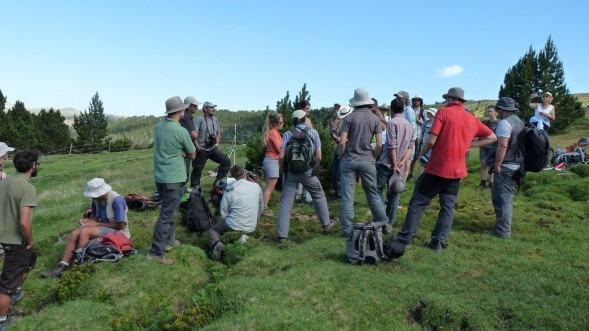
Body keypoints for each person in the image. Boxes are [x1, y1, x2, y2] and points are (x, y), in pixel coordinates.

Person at [394, 87, 497, 251]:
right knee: (448, 207)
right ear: (461, 101)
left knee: (418, 202)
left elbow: (431, 141)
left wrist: (420, 153)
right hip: (457, 172)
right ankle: (437, 242)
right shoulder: (471, 118)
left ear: (449, 99)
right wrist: (469, 144)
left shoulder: (443, 113)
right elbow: (492, 137)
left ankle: (406, 236)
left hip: (437, 168)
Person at [41, 178, 130, 278]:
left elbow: (121, 225)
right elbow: (94, 217)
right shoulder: (97, 200)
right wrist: (86, 221)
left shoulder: (116, 200)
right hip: (102, 227)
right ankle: (62, 266)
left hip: (118, 232)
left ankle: (78, 266)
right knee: (75, 233)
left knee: (85, 232)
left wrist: (96, 224)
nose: (93, 197)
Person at [276, 109, 338, 242]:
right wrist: (313, 169)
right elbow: (319, 157)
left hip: (291, 174)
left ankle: (282, 236)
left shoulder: (287, 134)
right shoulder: (313, 133)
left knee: (286, 204)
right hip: (308, 173)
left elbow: (281, 157)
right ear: (305, 119)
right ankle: (326, 225)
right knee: (319, 196)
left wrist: (282, 171)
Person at [148, 96, 196, 265]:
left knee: (171, 209)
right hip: (173, 178)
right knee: (167, 215)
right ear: (180, 111)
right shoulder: (181, 131)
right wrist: (183, 152)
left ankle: (170, 241)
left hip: (159, 177)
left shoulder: (158, 127)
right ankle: (156, 252)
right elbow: (192, 154)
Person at [338, 88, 388, 236]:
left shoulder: (349, 118)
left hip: (349, 159)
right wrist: (373, 156)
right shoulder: (375, 119)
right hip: (367, 160)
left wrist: (342, 156)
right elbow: (379, 144)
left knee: (348, 197)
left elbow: (342, 143)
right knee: (373, 194)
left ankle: (348, 230)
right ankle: (384, 224)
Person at [0, 151, 39, 328]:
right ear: (32, 166)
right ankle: (3, 319)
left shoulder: (6, 180)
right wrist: (29, 240)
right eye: (37, 164)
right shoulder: (27, 187)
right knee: (6, 284)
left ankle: (15, 291)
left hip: (3, 233)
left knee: (31, 258)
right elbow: (24, 221)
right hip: (15, 239)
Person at [209, 165, 264, 260]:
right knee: (239, 225)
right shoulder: (256, 187)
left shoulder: (229, 190)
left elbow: (224, 212)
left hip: (233, 224)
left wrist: (230, 219)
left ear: (232, 177)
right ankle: (243, 238)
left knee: (213, 230)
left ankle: (216, 245)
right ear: (245, 174)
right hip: (251, 225)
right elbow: (261, 207)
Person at [376, 98, 414, 232]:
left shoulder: (392, 123)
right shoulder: (410, 125)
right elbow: (410, 147)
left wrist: (393, 164)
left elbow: (392, 145)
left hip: (387, 163)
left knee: (377, 190)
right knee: (394, 193)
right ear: (403, 109)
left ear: (392, 109)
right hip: (400, 165)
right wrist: (402, 163)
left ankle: (382, 221)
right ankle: (388, 224)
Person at [491, 97, 524, 238]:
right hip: (519, 165)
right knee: (507, 197)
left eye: (498, 109)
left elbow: (502, 145)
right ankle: (502, 226)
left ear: (502, 110)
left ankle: (503, 231)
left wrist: (497, 164)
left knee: (502, 198)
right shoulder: (520, 122)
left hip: (507, 165)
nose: (497, 112)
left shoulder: (504, 123)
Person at [190, 101, 231, 189]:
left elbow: (218, 133)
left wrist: (216, 144)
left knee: (226, 161)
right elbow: (193, 136)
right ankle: (195, 190)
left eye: (214, 107)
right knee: (197, 170)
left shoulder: (215, 119)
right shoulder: (199, 119)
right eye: (211, 107)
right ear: (205, 109)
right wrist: (199, 149)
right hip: (201, 149)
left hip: (212, 148)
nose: (214, 109)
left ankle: (218, 183)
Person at [261, 112, 284, 216]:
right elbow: (280, 149)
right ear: (276, 123)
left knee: (268, 186)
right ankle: (264, 209)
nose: (283, 123)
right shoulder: (274, 133)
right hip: (272, 161)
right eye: (281, 122)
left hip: (271, 161)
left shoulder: (274, 132)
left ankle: (261, 206)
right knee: (270, 187)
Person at [329, 104, 353, 199]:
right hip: (338, 149)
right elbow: (333, 131)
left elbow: (352, 138)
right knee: (335, 172)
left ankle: (340, 194)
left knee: (340, 173)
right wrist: (335, 137)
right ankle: (337, 192)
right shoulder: (341, 122)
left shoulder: (351, 123)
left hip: (345, 150)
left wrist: (342, 140)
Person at [394, 91, 418, 181]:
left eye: (398, 97)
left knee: (406, 165)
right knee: (400, 164)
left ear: (405, 99)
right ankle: (397, 183)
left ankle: (401, 184)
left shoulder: (409, 111)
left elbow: (413, 127)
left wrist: (410, 142)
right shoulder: (401, 110)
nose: (397, 99)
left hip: (407, 142)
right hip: (400, 141)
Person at [180, 96, 201, 180]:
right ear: (189, 106)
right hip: (184, 150)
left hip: (185, 149)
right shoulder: (186, 117)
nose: (197, 108)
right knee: (184, 175)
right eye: (195, 106)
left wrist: (198, 147)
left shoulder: (187, 116)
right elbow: (194, 135)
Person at [479, 106, 499, 189]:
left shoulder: (500, 123)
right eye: (488, 112)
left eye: (491, 111)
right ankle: (483, 183)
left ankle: (491, 184)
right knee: (483, 164)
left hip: (494, 146)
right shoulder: (485, 122)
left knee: (492, 165)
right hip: (484, 146)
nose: (489, 113)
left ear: (495, 112)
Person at [408, 95, 425, 181]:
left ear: (420, 101)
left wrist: (417, 119)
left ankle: (411, 174)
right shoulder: (409, 110)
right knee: (407, 155)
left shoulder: (423, 111)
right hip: (409, 136)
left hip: (418, 137)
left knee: (415, 157)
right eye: (414, 100)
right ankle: (405, 174)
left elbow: (425, 124)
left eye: (418, 100)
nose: (416, 102)